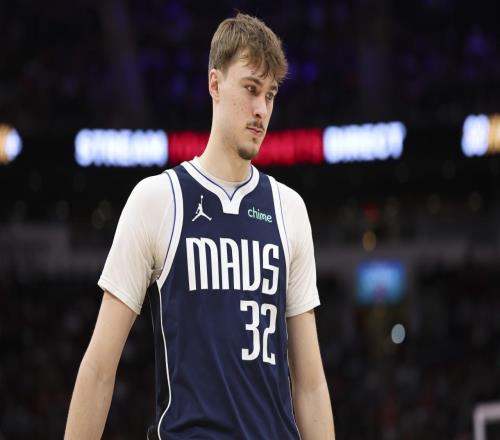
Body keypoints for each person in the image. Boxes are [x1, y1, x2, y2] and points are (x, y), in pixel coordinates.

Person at [65, 13, 335, 440]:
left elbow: (311, 384)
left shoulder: (289, 209)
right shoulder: (157, 200)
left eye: (270, 95)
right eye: (251, 89)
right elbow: (99, 368)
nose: (262, 110)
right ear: (214, 84)